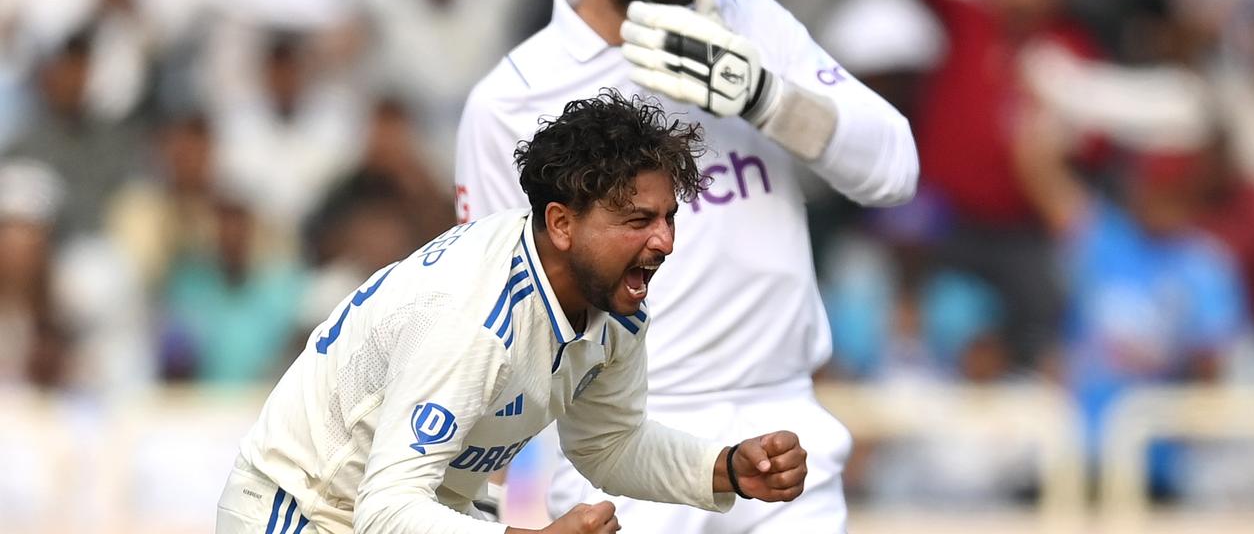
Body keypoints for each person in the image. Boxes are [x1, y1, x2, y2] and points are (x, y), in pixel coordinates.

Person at [454, 0, 919, 531]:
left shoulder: (755, 26)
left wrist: (772, 101)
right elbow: (498, 325)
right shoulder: (513, 100)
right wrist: (490, 503)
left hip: (782, 422)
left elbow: (894, 169)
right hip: (623, 443)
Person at [215, 90, 810, 534]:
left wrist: (726, 468)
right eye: (638, 221)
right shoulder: (471, 315)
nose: (665, 243)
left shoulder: (616, 308)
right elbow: (387, 509)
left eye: (667, 218)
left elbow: (608, 445)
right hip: (300, 510)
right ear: (561, 223)